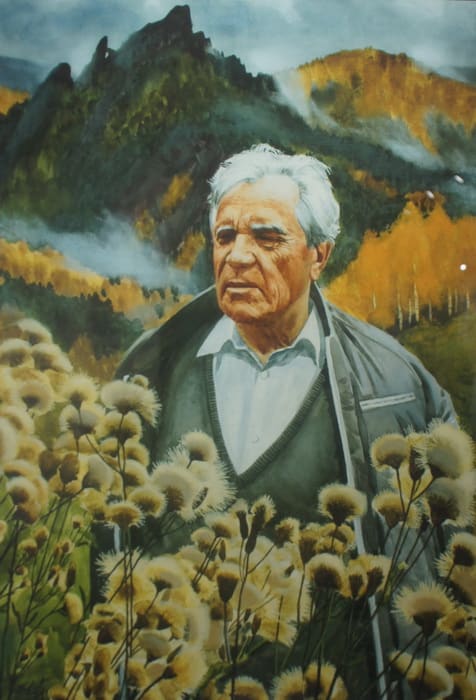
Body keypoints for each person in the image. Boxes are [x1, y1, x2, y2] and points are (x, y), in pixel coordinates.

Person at [117, 144, 457, 697]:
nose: (237, 256)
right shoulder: (152, 370)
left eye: (267, 238)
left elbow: (449, 564)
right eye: (225, 236)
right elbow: (112, 543)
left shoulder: (397, 384)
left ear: (319, 256)